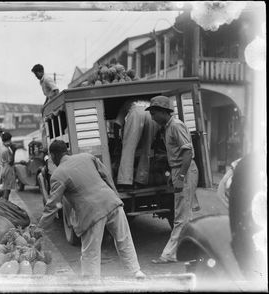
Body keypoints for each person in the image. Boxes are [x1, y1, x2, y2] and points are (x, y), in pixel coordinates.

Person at [37, 140, 146, 278]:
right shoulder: (87, 157)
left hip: (92, 212)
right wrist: (116, 196)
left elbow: (52, 205)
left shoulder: (58, 174)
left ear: (53, 155)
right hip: (112, 202)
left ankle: (92, 284)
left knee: (90, 253)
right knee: (124, 240)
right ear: (67, 150)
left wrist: (39, 228)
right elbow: (106, 175)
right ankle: (136, 271)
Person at [145, 96, 199, 264]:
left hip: (185, 170)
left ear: (163, 112)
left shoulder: (176, 125)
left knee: (181, 217)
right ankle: (188, 251)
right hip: (179, 169)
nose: (152, 117)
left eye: (154, 113)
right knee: (184, 215)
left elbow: (187, 153)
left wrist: (180, 177)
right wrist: (174, 175)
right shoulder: (167, 127)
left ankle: (169, 255)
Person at [115, 100, 159, 189]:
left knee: (128, 149)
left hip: (136, 113)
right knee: (147, 150)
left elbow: (117, 124)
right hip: (152, 113)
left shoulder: (127, 102)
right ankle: (141, 181)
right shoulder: (149, 100)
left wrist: (117, 143)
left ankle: (125, 181)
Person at [0, 132, 17, 200]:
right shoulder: (6, 150)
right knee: (7, 189)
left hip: (5, 168)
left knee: (7, 188)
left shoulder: (3, 147)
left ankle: (5, 203)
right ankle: (5, 204)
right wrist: (14, 151)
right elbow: (11, 161)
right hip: (8, 169)